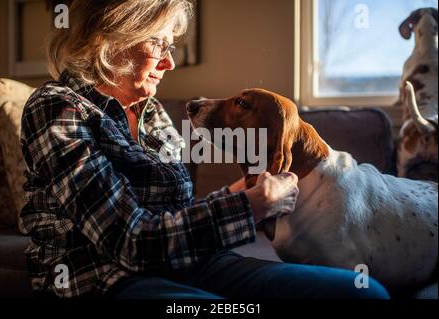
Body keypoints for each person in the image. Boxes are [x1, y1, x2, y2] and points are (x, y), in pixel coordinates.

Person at [19, 0, 389, 299]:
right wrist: (250, 206)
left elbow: (172, 218)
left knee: (363, 292)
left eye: (171, 46)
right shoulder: (57, 107)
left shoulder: (155, 115)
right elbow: (131, 240)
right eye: (159, 44)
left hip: (191, 262)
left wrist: (238, 193)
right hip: (101, 278)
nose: (170, 62)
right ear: (110, 37)